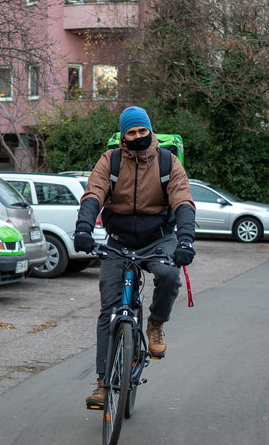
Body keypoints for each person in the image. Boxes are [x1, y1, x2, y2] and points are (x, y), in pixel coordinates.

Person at [74, 106, 196, 408]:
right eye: (132, 132)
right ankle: (103, 384)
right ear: (124, 136)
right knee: (109, 309)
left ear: (150, 131)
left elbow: (182, 199)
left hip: (158, 238)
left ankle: (155, 323)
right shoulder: (110, 161)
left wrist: (186, 241)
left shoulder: (168, 162)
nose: (138, 136)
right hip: (119, 241)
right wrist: (83, 229)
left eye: (143, 131)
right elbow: (94, 193)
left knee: (168, 276)